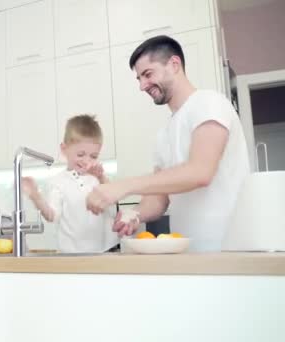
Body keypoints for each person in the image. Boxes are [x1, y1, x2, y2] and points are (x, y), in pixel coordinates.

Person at [86, 35, 250, 251]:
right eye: (139, 79)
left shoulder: (209, 103)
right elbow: (159, 199)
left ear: (174, 64)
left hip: (229, 250)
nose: (142, 86)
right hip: (188, 252)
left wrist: (123, 186)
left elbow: (200, 172)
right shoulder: (164, 134)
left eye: (147, 74)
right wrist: (134, 214)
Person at [22, 114, 119, 253]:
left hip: (105, 251)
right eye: (80, 154)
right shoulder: (57, 182)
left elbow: (113, 199)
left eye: (93, 156)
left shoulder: (98, 177)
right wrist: (35, 196)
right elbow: (52, 216)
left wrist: (101, 177)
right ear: (64, 149)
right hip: (72, 255)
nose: (86, 160)